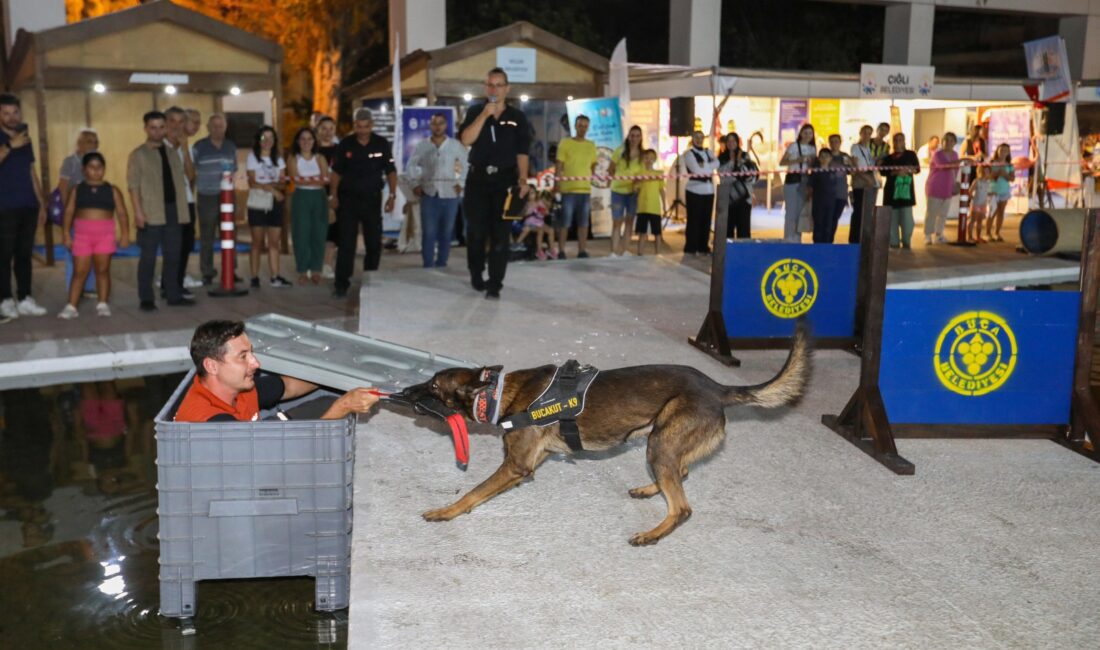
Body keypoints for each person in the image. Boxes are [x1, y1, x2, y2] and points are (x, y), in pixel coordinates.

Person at [174, 320, 380, 423]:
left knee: (326, 399)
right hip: (245, 479)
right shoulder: (211, 423)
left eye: (251, 353)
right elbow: (285, 463)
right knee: (334, 406)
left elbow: (288, 387)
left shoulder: (235, 388)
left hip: (254, 448)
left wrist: (338, 371)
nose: (255, 363)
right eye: (243, 356)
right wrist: (344, 406)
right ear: (212, 366)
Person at [458, 67, 531, 300]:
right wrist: (483, 116)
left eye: (499, 85)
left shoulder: (517, 117)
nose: (494, 89)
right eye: (490, 85)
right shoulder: (475, 111)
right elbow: (465, 140)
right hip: (478, 181)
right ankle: (476, 273)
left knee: (501, 235)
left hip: (505, 182)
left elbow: (522, 152)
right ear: (485, 87)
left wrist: (523, 180)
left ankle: (495, 283)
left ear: (507, 89)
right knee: (476, 232)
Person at [127, 110, 192, 311]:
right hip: (151, 212)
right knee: (148, 258)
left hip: (174, 211)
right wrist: (138, 212)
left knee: (173, 256)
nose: (157, 131)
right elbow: (133, 186)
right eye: (153, 127)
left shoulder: (173, 153)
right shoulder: (138, 154)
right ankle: (146, 298)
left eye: (161, 127)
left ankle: (173, 294)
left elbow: (189, 177)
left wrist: (185, 149)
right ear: (146, 129)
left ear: (166, 128)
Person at [329, 108, 397, 298]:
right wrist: (333, 195)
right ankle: (341, 284)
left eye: (366, 127)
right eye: (359, 127)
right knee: (346, 244)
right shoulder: (345, 144)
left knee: (374, 243)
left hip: (372, 200)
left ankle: (370, 280)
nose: (362, 131)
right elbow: (336, 172)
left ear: (371, 125)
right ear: (355, 126)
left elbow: (391, 171)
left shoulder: (381, 144)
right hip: (348, 201)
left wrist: (392, 196)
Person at [57, 152, 130, 319]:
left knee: (102, 271)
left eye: (100, 167)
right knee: (79, 272)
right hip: (82, 237)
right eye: (92, 167)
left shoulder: (112, 190)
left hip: (104, 236)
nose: (96, 170)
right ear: (84, 170)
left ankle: (103, 303)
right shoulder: (77, 190)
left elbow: (122, 213)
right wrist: (66, 233)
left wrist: (125, 234)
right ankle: (71, 306)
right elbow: (68, 212)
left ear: (104, 169)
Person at [0, 93, 48, 320]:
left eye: (15, 112)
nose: (12, 117)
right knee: (3, 255)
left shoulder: (25, 138)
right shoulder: (8, 140)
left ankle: (25, 298)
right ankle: (4, 300)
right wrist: (10, 145)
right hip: (4, 207)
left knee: (24, 254)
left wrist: (41, 203)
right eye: (6, 113)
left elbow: (31, 171)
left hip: (28, 205)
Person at [407, 112, 468, 268]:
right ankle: (428, 264)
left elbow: (467, 164)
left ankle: (442, 262)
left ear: (446, 125)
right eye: (435, 123)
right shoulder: (423, 145)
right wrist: (415, 184)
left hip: (450, 194)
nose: (438, 126)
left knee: (446, 232)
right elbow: (411, 165)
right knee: (429, 232)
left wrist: (461, 183)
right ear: (430, 125)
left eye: (441, 123)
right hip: (429, 193)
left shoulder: (455, 145)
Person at [191, 113, 238, 285]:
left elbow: (234, 170)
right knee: (207, 236)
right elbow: (191, 170)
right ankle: (207, 271)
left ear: (225, 128)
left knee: (230, 234)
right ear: (208, 128)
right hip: (206, 196)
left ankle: (230, 270)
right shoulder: (199, 147)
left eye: (221, 126)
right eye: (214, 126)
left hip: (227, 196)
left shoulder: (231, 146)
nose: (218, 129)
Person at [246, 125, 290, 288]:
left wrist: (271, 186)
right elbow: (252, 182)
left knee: (274, 242)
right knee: (257, 241)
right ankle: (254, 277)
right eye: (264, 137)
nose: (267, 141)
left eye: (271, 137)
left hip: (275, 202)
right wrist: (271, 188)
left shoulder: (278, 158)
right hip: (258, 202)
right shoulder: (252, 157)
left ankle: (275, 276)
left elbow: (283, 182)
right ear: (259, 140)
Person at [287, 127, 330, 284]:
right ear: (298, 141)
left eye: (309, 139)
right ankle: (303, 270)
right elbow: (295, 179)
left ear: (314, 141)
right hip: (301, 197)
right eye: (303, 139)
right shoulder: (293, 158)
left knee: (319, 232)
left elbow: (326, 179)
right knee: (301, 233)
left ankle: (317, 269)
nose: (306, 142)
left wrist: (308, 180)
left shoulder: (320, 158)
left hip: (319, 197)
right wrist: (315, 179)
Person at [163, 106, 196, 300]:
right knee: (172, 246)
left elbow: (191, 176)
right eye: (172, 121)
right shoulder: (160, 147)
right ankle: (169, 285)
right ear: (165, 123)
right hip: (169, 203)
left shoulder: (185, 147)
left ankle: (178, 282)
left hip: (187, 200)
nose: (176, 126)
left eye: (180, 121)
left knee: (186, 244)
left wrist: (184, 149)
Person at [554, 114, 598, 259]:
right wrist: (556, 183)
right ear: (575, 126)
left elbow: (593, 164)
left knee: (583, 223)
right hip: (568, 190)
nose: (582, 129)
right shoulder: (565, 143)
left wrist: (592, 175)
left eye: (585, 126)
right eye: (580, 126)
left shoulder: (591, 145)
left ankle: (582, 250)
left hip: (584, 190)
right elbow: (559, 165)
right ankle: (561, 251)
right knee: (565, 222)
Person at [608, 125, 644, 257]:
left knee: (629, 221)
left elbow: (643, 173)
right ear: (628, 137)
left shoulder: (643, 154)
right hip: (617, 191)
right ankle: (614, 252)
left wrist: (637, 183)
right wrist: (614, 180)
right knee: (617, 222)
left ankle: (624, 250)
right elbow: (611, 168)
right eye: (632, 135)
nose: (634, 138)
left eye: (637, 136)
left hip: (633, 193)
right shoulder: (620, 150)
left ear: (641, 138)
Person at [716, 132, 758, 240]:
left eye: (733, 140)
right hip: (728, 198)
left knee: (744, 229)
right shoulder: (721, 157)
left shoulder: (745, 155)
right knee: (728, 229)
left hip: (744, 197)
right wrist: (733, 161)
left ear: (737, 142)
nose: (731, 143)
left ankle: (744, 250)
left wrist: (739, 163)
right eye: (729, 141)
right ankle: (729, 250)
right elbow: (723, 175)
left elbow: (748, 175)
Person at [882, 133, 920, 249]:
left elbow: (917, 169)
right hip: (891, 192)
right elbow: (883, 171)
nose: (898, 142)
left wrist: (908, 171)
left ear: (904, 141)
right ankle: (894, 242)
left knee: (907, 220)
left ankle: (906, 241)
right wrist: (895, 172)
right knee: (892, 220)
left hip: (906, 193)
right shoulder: (888, 158)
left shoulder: (911, 154)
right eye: (896, 140)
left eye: (900, 140)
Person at [779, 123, 816, 243]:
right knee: (791, 211)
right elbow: (782, 162)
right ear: (800, 133)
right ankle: (789, 238)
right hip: (792, 180)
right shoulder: (794, 146)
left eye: (810, 133)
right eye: (805, 132)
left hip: (805, 180)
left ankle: (797, 239)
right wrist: (797, 160)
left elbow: (813, 167)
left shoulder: (812, 149)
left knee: (800, 212)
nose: (807, 135)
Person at [683, 129, 718, 254]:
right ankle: (691, 247)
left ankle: (703, 246)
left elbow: (717, 163)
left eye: (701, 137)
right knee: (694, 220)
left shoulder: (708, 152)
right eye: (696, 137)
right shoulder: (689, 154)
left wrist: (705, 167)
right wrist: (709, 167)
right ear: (692, 139)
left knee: (706, 220)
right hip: (694, 190)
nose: (699, 139)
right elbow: (697, 171)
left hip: (709, 190)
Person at [315, 116, 340, 279]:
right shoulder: (312, 150)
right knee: (317, 231)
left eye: (331, 129)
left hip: (335, 195)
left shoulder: (340, 150)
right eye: (324, 128)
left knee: (333, 231)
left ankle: (328, 265)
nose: (327, 132)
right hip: (316, 194)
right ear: (318, 130)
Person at [924, 131, 959, 245]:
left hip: (947, 187)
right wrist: (962, 161)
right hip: (935, 187)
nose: (948, 142)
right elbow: (945, 166)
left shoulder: (955, 155)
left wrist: (953, 185)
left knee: (943, 214)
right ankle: (928, 235)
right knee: (932, 213)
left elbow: (955, 170)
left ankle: (939, 234)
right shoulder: (937, 154)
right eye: (946, 140)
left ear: (954, 143)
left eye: (951, 140)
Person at [849, 124, 878, 243]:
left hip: (870, 181)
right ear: (860, 133)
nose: (867, 135)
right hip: (861, 182)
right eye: (865, 133)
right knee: (859, 211)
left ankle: (865, 238)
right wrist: (866, 178)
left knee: (868, 212)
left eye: (869, 133)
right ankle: (855, 239)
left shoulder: (869, 149)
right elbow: (855, 166)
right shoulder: (855, 147)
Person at [635, 149, 666, 256]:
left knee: (657, 232)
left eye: (651, 158)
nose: (649, 160)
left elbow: (661, 190)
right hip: (642, 207)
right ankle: (640, 253)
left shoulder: (659, 174)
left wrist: (664, 205)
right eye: (646, 158)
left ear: (655, 159)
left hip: (655, 208)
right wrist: (637, 182)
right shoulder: (639, 174)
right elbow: (636, 190)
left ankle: (658, 253)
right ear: (643, 159)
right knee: (642, 232)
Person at [57, 129, 99, 203]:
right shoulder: (70, 162)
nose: (94, 145)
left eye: (96, 142)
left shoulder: (97, 161)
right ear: (79, 143)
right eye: (89, 142)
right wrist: (67, 208)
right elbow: (63, 188)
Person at [811, 148, 840, 244]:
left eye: (827, 156)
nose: (824, 159)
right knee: (818, 225)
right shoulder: (815, 171)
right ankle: (817, 245)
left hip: (831, 203)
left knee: (828, 225)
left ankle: (827, 245)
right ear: (819, 158)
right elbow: (810, 186)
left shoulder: (833, 171)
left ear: (831, 158)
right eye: (822, 156)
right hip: (818, 203)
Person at [986, 143, 1014, 242]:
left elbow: (1012, 178)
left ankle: (997, 233)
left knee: (1001, 212)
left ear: (1008, 152)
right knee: (992, 212)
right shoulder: (991, 163)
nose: (1003, 152)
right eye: (1001, 150)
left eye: (1006, 150)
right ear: (997, 151)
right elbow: (986, 176)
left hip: (1004, 191)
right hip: (993, 191)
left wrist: (1005, 174)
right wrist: (996, 174)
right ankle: (988, 233)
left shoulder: (1009, 165)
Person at [826, 134, 851, 242]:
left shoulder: (845, 156)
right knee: (827, 217)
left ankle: (830, 239)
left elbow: (850, 171)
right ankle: (826, 240)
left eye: (836, 141)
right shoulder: (825, 155)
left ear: (840, 143)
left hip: (841, 192)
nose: (834, 144)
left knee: (835, 217)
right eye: (832, 141)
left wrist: (852, 163)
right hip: (827, 192)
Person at [517, 191, 553, 259]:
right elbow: (523, 214)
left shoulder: (540, 202)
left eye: (533, 193)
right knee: (540, 230)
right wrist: (531, 209)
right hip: (530, 223)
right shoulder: (527, 204)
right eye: (530, 193)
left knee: (551, 230)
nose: (532, 195)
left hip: (540, 222)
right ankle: (539, 250)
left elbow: (547, 212)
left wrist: (544, 208)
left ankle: (551, 249)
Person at [968, 165, 991, 244]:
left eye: (988, 171)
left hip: (983, 204)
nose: (986, 173)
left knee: (980, 221)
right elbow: (970, 191)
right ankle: (970, 237)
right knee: (972, 220)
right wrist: (972, 199)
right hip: (976, 204)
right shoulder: (977, 181)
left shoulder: (988, 182)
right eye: (985, 171)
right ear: (980, 171)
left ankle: (978, 237)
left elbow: (987, 192)